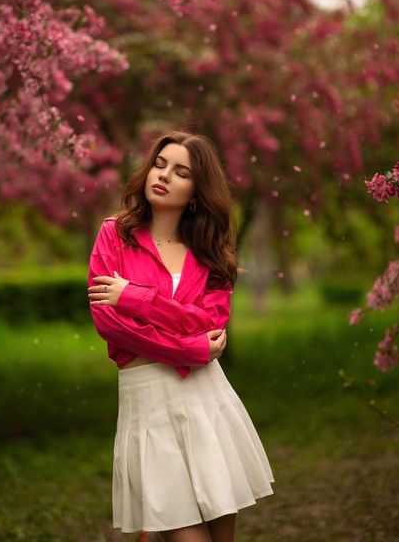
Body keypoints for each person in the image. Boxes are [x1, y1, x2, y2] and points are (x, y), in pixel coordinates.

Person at [87, 131, 275, 542]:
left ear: (196, 191)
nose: (165, 175)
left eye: (181, 171)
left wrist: (134, 297)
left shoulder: (211, 253)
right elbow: (110, 324)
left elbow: (207, 321)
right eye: (160, 164)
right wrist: (189, 348)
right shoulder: (113, 236)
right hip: (148, 400)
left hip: (205, 401)